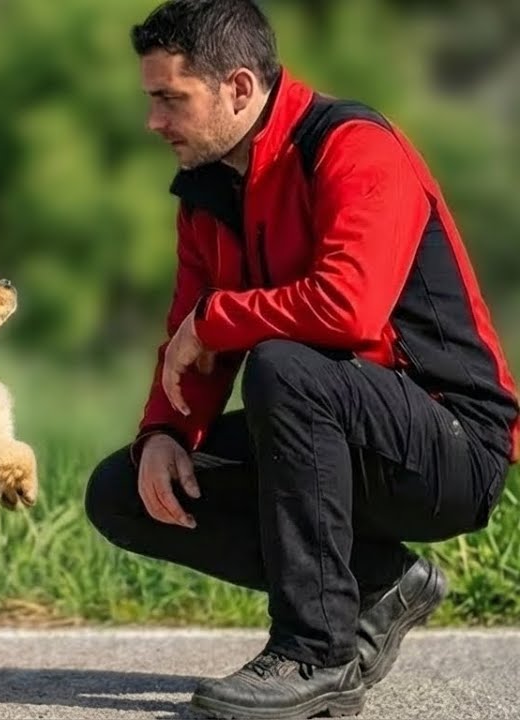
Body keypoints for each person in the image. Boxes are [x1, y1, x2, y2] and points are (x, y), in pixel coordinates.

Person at [84, 0, 519, 718]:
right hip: (333, 428)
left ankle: (314, 653)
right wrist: (166, 432)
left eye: (170, 98)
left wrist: (217, 320)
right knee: (125, 492)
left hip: (452, 446)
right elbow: (189, 341)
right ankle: (381, 583)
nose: (153, 122)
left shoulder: (353, 146)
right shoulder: (206, 193)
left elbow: (348, 309)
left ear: (241, 88)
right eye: (151, 98)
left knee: (286, 368)